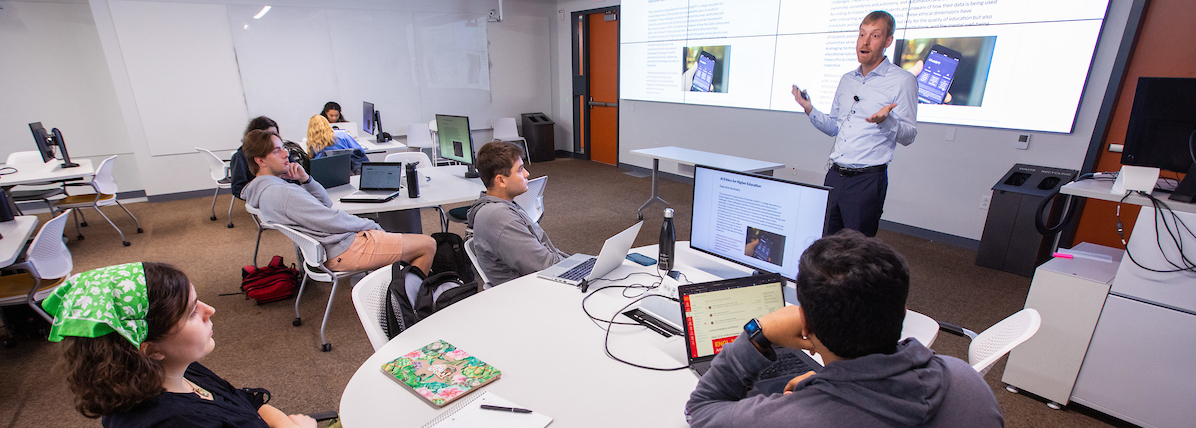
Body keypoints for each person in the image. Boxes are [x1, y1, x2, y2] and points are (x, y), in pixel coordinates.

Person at [686, 230, 1003, 427]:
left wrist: (759, 332)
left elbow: (701, 410)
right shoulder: (967, 380)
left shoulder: (789, 418)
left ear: (805, 326)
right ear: (903, 312)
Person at [46, 262, 317, 428]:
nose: (210, 310)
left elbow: (243, 402)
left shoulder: (177, 371)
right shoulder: (173, 422)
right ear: (148, 348)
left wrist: (284, 423)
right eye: (190, 313)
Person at [792, 10, 918, 237]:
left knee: (857, 251)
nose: (865, 41)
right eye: (862, 35)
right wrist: (809, 109)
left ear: (888, 41)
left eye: (875, 35)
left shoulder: (902, 81)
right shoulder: (847, 79)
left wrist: (886, 121)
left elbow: (909, 135)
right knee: (827, 243)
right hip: (834, 177)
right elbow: (835, 127)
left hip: (866, 182)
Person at [240, 129, 434, 273]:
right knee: (427, 245)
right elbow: (330, 218)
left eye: (283, 148)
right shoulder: (281, 193)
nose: (286, 154)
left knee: (408, 241)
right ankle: (408, 306)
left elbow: (325, 205)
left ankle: (397, 285)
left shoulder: (264, 189)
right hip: (343, 249)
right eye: (276, 151)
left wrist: (306, 180)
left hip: (331, 246)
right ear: (260, 161)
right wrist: (370, 225)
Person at [466, 141, 568, 285]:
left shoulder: (505, 206)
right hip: (531, 292)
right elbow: (546, 266)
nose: (527, 173)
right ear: (501, 181)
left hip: (540, 281)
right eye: (520, 169)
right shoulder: (498, 217)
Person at [231, 116, 279, 199]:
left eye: (275, 135)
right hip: (263, 197)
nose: (274, 139)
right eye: (269, 136)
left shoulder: (281, 153)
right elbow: (238, 188)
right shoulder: (240, 157)